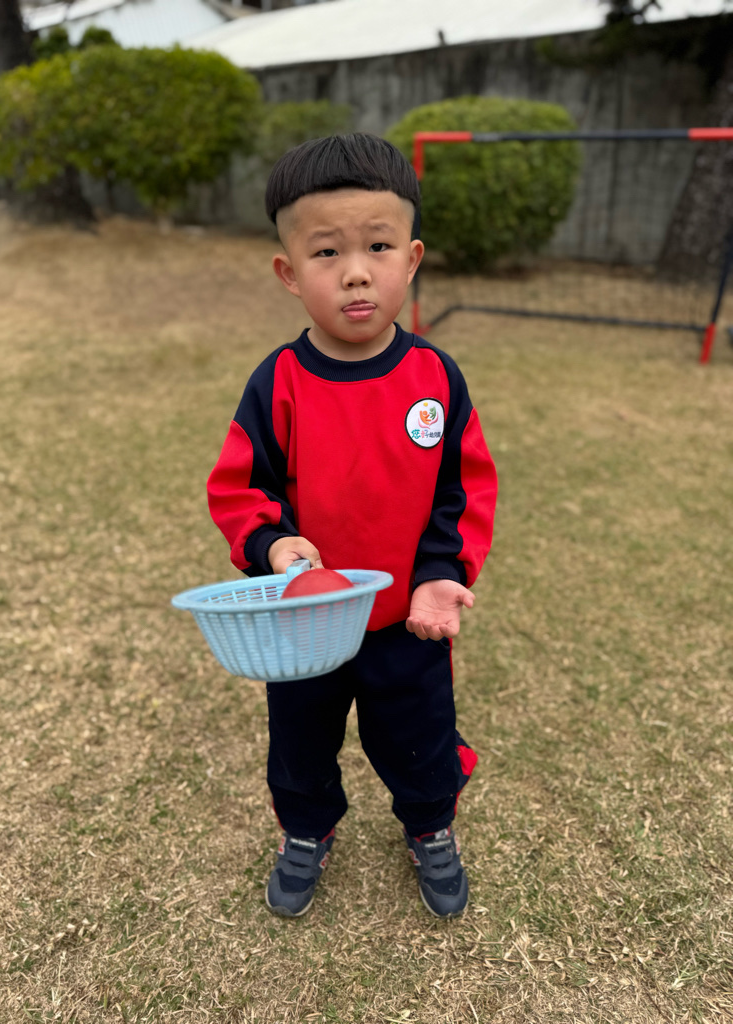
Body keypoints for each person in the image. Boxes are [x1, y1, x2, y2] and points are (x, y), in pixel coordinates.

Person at [207, 133, 497, 919]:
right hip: (309, 624)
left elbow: (462, 491)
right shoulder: (278, 382)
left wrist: (441, 575)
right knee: (299, 743)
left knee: (421, 738)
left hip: (409, 620)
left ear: (413, 258)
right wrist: (274, 544)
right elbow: (240, 490)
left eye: (378, 245)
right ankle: (306, 830)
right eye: (327, 252)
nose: (357, 271)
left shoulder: (435, 378)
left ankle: (430, 826)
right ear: (289, 273)